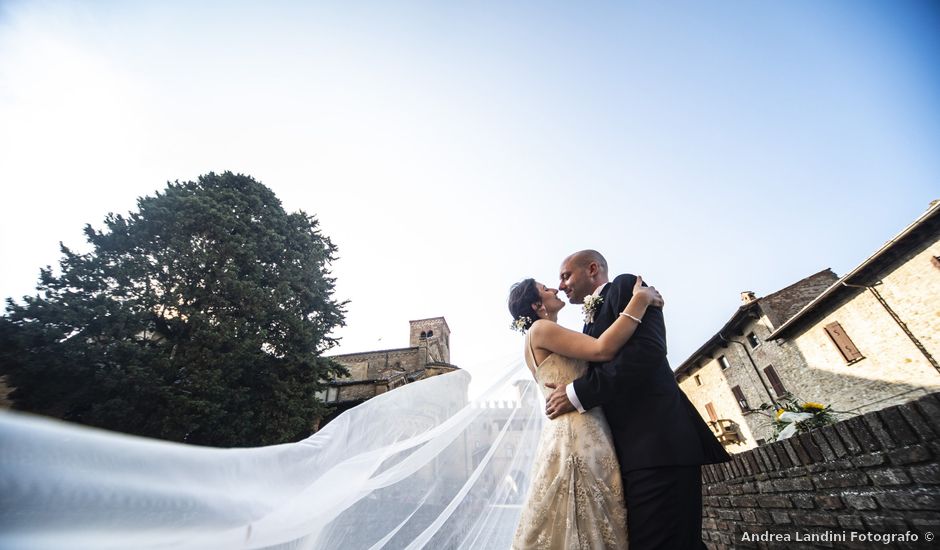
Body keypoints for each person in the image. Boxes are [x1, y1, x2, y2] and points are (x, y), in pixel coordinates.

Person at [544, 250, 731, 550]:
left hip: (657, 445)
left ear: (592, 269)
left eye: (565, 275)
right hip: (629, 454)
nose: (561, 285)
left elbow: (646, 353)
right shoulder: (587, 326)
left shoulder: (627, 287)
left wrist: (577, 393)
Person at [508, 275, 664, 549]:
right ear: (536, 306)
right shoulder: (542, 329)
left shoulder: (537, 337)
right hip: (578, 433)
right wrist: (641, 300)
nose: (555, 288)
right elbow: (603, 349)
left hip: (568, 428)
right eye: (546, 289)